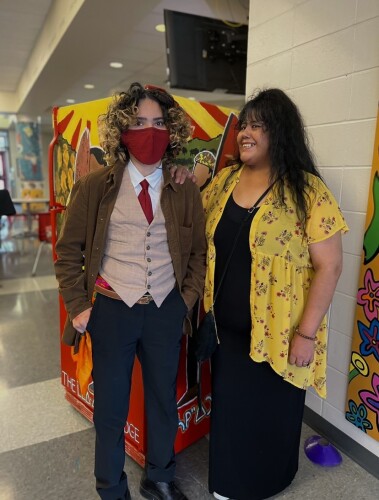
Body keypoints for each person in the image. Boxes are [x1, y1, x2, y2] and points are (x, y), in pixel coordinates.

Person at [55, 82, 206, 500]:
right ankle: (110, 487)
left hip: (163, 310)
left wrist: (185, 303)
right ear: (122, 129)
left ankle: (159, 477)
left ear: (172, 130)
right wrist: (80, 307)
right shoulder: (94, 187)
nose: (149, 131)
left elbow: (198, 254)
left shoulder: (183, 187)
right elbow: (68, 253)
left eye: (159, 122)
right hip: (111, 310)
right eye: (139, 122)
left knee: (162, 400)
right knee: (110, 409)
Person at [201, 88, 348, 500]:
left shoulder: (307, 191)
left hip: (282, 333)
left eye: (257, 125)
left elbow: (330, 265)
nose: (245, 132)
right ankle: (229, 483)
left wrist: (306, 334)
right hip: (226, 331)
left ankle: (272, 478)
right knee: (231, 411)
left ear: (280, 132)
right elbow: (196, 226)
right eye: (243, 124)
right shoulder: (226, 180)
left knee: (273, 411)